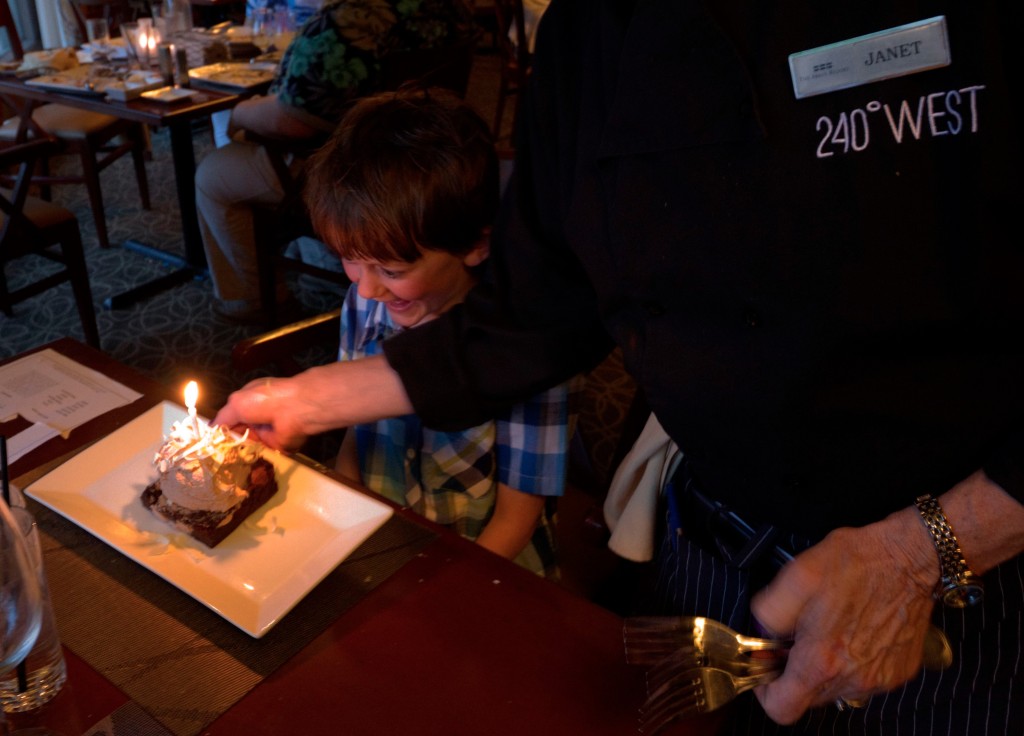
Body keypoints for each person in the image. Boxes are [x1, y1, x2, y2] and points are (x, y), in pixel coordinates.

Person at [216, 1, 1024, 732]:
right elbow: (541, 307)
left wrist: (922, 555)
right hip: (712, 552)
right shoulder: (590, 32)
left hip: (965, 577)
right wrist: (307, 397)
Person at [300, 88, 574, 578]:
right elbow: (354, 443)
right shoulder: (365, 302)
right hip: (381, 545)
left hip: (482, 565)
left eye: (391, 268)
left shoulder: (526, 343)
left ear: (475, 245)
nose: (366, 288)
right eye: (349, 260)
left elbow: (517, 518)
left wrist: (428, 588)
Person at [195, 0, 473, 323]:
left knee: (211, 175)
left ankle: (247, 299)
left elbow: (294, 120)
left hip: (343, 169)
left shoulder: (346, 21)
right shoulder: (453, 10)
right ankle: (326, 260)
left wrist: (240, 111)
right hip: (427, 158)